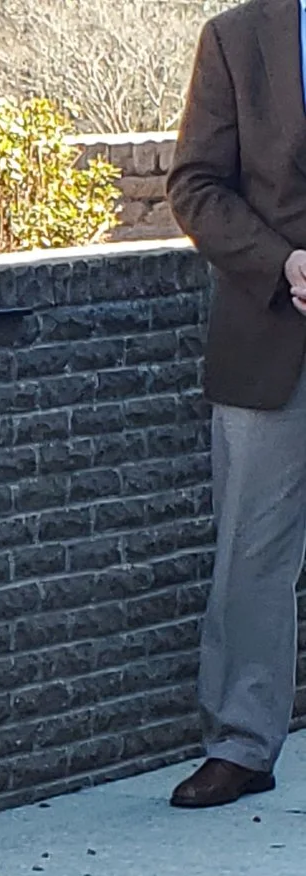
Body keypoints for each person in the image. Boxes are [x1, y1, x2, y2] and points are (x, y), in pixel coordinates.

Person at [165, 0, 306, 809]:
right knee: (251, 555)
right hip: (270, 330)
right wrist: (283, 263)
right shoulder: (235, 37)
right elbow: (194, 185)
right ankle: (242, 744)